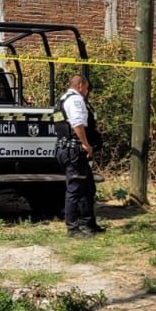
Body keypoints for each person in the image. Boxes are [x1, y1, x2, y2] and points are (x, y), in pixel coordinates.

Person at [55, 73, 104, 237]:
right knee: (75, 190)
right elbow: (77, 124)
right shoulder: (75, 100)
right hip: (74, 150)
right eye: (87, 88)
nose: (87, 91)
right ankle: (73, 228)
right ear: (81, 85)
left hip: (65, 149)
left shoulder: (61, 99)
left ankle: (88, 224)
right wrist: (86, 144)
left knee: (88, 187)